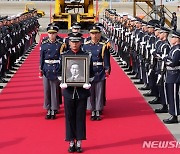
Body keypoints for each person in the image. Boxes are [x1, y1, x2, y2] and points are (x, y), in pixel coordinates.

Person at [60, 32, 93, 153]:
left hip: (81, 92)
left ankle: (79, 141)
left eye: (77, 42)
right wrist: (62, 81)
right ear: (69, 42)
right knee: (69, 117)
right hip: (68, 92)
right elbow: (59, 72)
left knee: (80, 117)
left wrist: (88, 81)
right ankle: (70, 141)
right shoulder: (64, 56)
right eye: (72, 42)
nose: (74, 44)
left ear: (80, 42)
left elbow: (92, 73)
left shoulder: (86, 56)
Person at [83, 25, 111, 121]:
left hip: (99, 70)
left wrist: (107, 70)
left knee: (99, 91)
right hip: (89, 70)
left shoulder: (103, 46)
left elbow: (106, 59)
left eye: (96, 33)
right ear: (89, 34)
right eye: (92, 33)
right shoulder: (85, 45)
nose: (94, 35)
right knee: (90, 91)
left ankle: (98, 109)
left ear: (99, 34)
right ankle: (92, 109)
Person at [39, 23, 65, 120]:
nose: (51, 35)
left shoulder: (60, 44)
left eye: (53, 33)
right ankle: (48, 107)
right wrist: (41, 69)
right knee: (47, 90)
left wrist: (60, 69)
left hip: (55, 68)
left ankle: (54, 108)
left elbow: (62, 57)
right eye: (50, 33)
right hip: (46, 68)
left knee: (54, 90)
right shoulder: (44, 44)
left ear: (56, 33)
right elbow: (42, 57)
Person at [163, 30, 180, 124]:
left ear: (177, 39)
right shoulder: (173, 48)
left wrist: (166, 59)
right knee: (170, 95)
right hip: (170, 74)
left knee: (173, 95)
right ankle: (172, 113)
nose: (171, 39)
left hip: (175, 75)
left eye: (173, 37)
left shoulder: (177, 50)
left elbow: (173, 63)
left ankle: (174, 115)